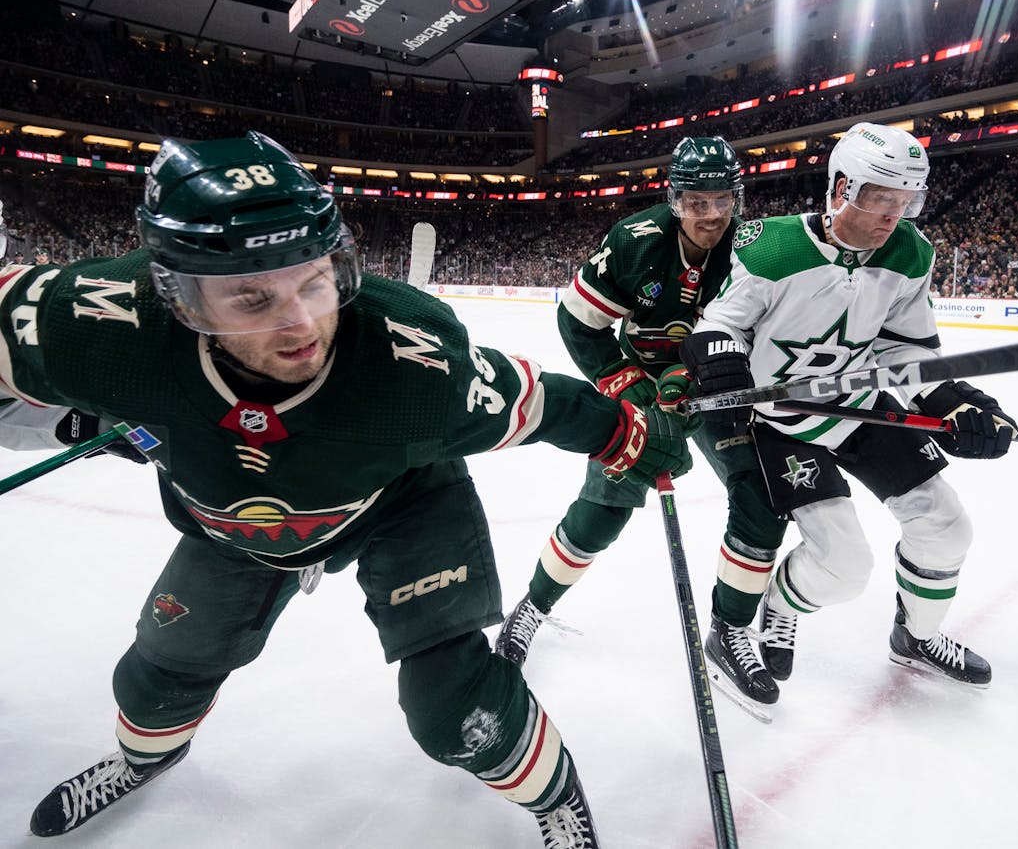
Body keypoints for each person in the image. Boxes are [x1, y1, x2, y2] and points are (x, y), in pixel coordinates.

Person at [0, 132, 693, 847]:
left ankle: (554, 798)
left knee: (455, 710)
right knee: (157, 674)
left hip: (400, 504)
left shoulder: (410, 367)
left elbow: (541, 403)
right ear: (178, 297)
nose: (302, 323)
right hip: (237, 529)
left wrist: (631, 433)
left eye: (314, 278)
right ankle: (144, 756)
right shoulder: (100, 326)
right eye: (250, 296)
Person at [679, 122, 1017, 716]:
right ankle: (781, 607)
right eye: (881, 198)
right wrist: (722, 358)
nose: (893, 215)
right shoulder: (772, 245)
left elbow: (906, 347)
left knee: (946, 524)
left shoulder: (911, 254)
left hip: (860, 404)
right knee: (845, 565)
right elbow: (722, 323)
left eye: (906, 201)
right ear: (840, 189)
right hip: (783, 417)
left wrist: (950, 401)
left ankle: (916, 635)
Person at [495, 137, 786, 695]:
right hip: (640, 387)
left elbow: (762, 328)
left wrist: (700, 374)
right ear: (674, 200)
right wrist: (628, 386)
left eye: (721, 200)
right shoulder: (634, 242)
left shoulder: (756, 250)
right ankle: (533, 606)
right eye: (696, 202)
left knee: (762, 496)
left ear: (737, 199)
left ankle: (728, 629)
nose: (710, 215)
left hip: (713, 388)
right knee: (604, 510)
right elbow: (579, 322)